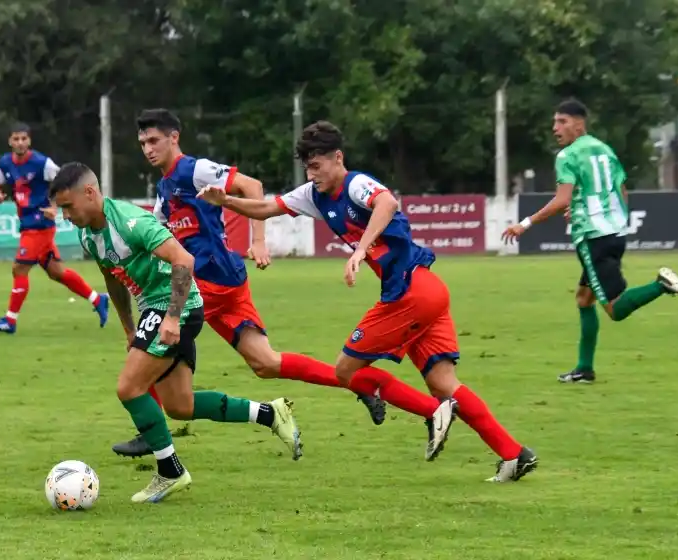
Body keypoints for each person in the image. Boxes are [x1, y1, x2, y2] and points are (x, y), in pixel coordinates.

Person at [197, 120, 537, 482]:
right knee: (444, 383)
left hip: (410, 293)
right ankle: (514, 454)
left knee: (346, 371)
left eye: (317, 165)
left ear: (338, 158)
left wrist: (360, 249)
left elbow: (387, 202)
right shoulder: (313, 194)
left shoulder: (355, 183)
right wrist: (227, 201)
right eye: (307, 167)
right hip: (428, 290)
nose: (312, 174)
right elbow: (267, 208)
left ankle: (432, 411)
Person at [111, 109, 456, 462]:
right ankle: (369, 388)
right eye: (143, 143)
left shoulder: (192, 169)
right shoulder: (166, 188)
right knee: (266, 363)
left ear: (174, 138)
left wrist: (258, 241)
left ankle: (148, 432)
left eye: (154, 140)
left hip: (210, 281)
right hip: (222, 281)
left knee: (152, 336)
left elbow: (252, 186)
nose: (148, 149)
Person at [50, 161, 303, 503]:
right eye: (61, 209)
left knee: (129, 388)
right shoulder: (88, 235)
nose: (66, 216)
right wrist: (128, 328)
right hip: (158, 309)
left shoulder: (130, 222)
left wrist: (171, 318)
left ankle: (170, 472)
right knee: (180, 405)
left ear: (90, 193)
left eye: (68, 206)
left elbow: (184, 259)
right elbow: (112, 277)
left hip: (174, 306)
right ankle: (271, 414)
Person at [502, 99, 678, 384]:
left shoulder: (567, 155)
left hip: (593, 237)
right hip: (614, 232)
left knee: (615, 309)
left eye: (562, 121)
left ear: (579, 123)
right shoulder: (604, 150)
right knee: (584, 299)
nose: (555, 128)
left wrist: (525, 224)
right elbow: (621, 190)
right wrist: (611, 218)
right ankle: (584, 369)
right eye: (555, 122)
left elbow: (562, 200)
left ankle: (661, 285)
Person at [0, 122, 109, 334]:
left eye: (24, 138)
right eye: (16, 139)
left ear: (29, 140)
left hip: (40, 225)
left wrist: (55, 206)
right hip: (27, 223)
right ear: (9, 141)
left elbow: (65, 182)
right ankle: (98, 299)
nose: (20, 142)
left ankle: (10, 321)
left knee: (19, 268)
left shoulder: (41, 163)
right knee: (57, 272)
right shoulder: (4, 163)